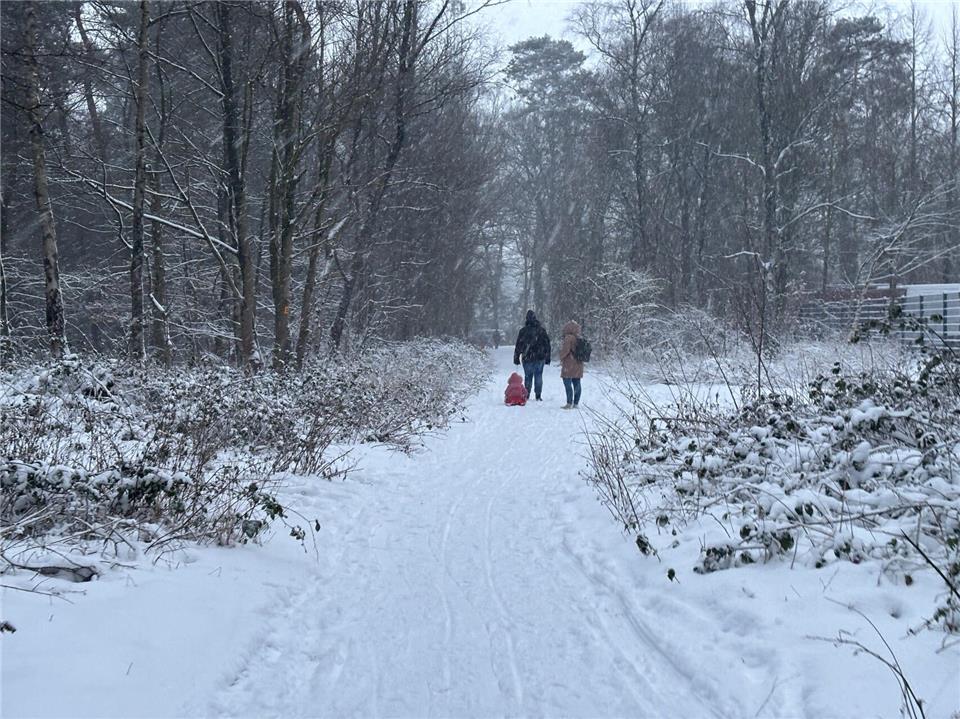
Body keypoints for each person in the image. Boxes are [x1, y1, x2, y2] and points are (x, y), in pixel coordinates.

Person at [513, 310, 551, 401]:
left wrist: (516, 357)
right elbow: (547, 344)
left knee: (528, 376)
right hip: (539, 357)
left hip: (527, 357)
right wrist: (547, 356)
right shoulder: (541, 330)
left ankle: (527, 394)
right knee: (538, 376)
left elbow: (518, 345)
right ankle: (538, 395)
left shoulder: (523, 331)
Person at [558, 320, 584, 409]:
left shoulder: (568, 338)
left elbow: (565, 350)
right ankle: (576, 403)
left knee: (567, 383)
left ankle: (569, 402)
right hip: (578, 364)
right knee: (577, 383)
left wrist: (561, 356)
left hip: (569, 364)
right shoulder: (579, 337)